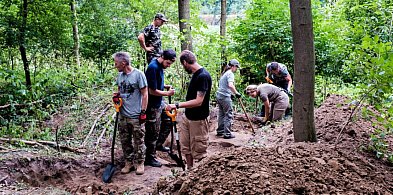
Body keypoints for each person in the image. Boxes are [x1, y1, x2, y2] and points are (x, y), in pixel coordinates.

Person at [165, 50, 212, 169]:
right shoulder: (195, 74)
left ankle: (201, 176)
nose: (183, 68)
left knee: (199, 150)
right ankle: (189, 171)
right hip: (188, 117)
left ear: (185, 62)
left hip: (199, 119)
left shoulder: (203, 76)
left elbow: (198, 101)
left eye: (182, 65)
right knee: (186, 147)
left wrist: (177, 105)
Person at [112, 51, 148, 175]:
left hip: (136, 115)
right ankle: (129, 162)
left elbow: (145, 94)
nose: (115, 65)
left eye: (116, 63)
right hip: (123, 115)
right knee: (125, 140)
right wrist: (117, 97)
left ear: (123, 63)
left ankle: (140, 162)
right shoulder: (120, 76)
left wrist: (143, 111)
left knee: (139, 140)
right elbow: (119, 90)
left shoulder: (138, 75)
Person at [144, 49, 176, 167]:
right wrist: (167, 94)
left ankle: (159, 144)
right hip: (152, 104)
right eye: (168, 63)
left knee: (169, 120)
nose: (168, 66)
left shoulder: (159, 65)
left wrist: (165, 86)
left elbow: (155, 84)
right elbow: (151, 91)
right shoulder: (153, 67)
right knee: (153, 131)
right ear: (162, 57)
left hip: (160, 102)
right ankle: (150, 157)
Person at [215, 59, 242, 139]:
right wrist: (236, 93)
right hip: (224, 96)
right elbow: (230, 85)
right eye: (236, 67)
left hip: (219, 95)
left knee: (221, 114)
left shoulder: (225, 73)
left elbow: (225, 86)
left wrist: (231, 93)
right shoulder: (230, 73)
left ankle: (220, 131)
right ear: (233, 66)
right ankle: (227, 134)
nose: (236, 69)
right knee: (228, 114)